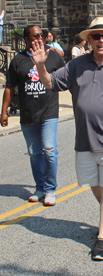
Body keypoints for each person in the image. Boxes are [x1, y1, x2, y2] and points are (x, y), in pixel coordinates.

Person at [30, 17, 103, 261]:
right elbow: (50, 83)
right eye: (96, 36)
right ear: (88, 39)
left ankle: (101, 239)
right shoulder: (76, 64)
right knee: (93, 184)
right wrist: (41, 65)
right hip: (85, 138)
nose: (101, 40)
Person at [1, 25, 65, 206]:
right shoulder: (18, 61)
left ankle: (51, 189)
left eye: (41, 35)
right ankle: (40, 188)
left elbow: (66, 78)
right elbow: (9, 87)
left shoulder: (53, 57)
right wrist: (4, 111)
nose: (39, 38)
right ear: (26, 39)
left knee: (49, 150)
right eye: (35, 36)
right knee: (35, 153)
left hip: (49, 112)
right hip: (28, 114)